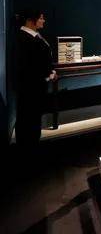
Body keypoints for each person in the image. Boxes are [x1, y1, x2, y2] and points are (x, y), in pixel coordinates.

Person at [15, 9, 56, 148]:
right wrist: (48, 76)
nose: (43, 20)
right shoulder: (24, 38)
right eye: (41, 18)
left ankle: (30, 147)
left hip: (35, 88)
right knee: (29, 121)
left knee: (33, 120)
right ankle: (27, 151)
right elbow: (30, 66)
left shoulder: (33, 36)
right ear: (30, 20)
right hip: (30, 88)